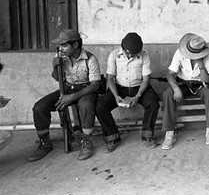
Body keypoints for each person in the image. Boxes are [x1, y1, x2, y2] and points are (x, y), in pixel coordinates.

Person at [28, 29, 101, 162]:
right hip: (67, 88)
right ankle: (45, 142)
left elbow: (95, 85)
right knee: (39, 107)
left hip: (86, 90)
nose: (61, 48)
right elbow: (58, 79)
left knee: (86, 105)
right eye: (60, 46)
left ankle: (86, 141)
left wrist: (72, 97)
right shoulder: (61, 58)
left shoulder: (90, 59)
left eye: (64, 45)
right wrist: (55, 67)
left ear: (75, 45)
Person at [95, 32, 160, 153]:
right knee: (100, 106)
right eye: (127, 52)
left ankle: (147, 136)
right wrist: (116, 96)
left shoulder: (144, 55)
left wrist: (137, 96)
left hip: (139, 87)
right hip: (119, 88)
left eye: (133, 54)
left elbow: (146, 79)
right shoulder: (114, 55)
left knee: (153, 103)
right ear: (122, 47)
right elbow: (110, 78)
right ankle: (113, 138)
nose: (130, 55)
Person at [161, 33, 209, 149]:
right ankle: (170, 133)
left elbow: (208, 79)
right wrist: (176, 88)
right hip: (183, 84)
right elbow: (170, 74)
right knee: (167, 94)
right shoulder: (179, 53)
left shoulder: (207, 55)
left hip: (201, 84)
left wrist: (200, 64)